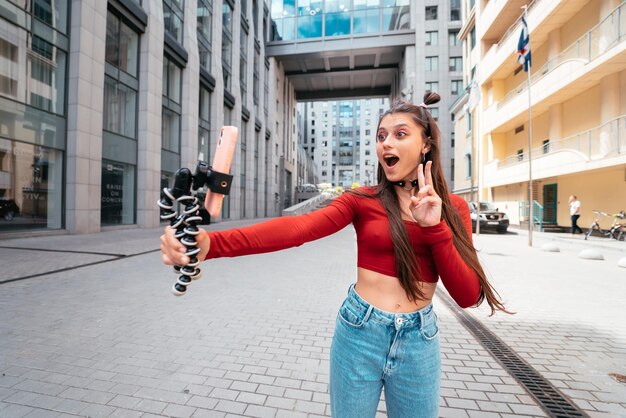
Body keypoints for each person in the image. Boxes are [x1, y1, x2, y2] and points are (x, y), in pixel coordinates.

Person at [160, 93, 508, 418]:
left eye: (400, 134)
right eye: (381, 135)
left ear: (426, 144)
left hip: (420, 341)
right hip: (359, 333)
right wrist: (211, 245)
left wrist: (434, 227)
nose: (386, 142)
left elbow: (466, 296)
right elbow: (299, 229)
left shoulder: (455, 209)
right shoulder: (362, 200)